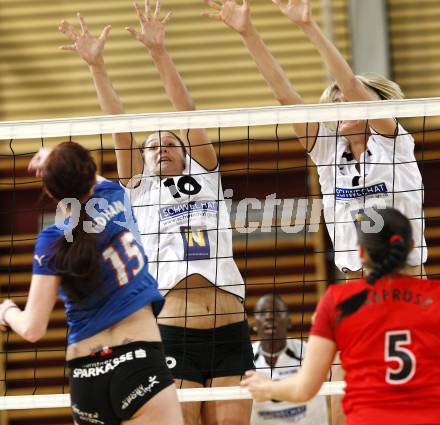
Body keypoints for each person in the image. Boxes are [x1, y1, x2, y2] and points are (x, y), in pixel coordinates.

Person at [58, 4, 254, 425]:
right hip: (173, 335)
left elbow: (187, 112)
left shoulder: (207, 177)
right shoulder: (138, 190)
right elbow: (120, 130)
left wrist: (159, 52)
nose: (161, 147)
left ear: (186, 152)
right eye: (152, 146)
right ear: (141, 160)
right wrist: (96, 65)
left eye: (170, 143)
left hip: (231, 330)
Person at [203, 0, 427, 279]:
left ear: (377, 105)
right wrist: (248, 33)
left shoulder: (393, 143)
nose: (341, 106)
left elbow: (351, 84)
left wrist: (307, 25)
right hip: (355, 282)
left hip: (406, 276)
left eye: (350, 102)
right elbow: (285, 96)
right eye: (336, 104)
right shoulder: (328, 151)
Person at [0, 142, 183, 425]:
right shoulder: (116, 197)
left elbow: (32, 329)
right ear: (89, 171)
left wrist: (6, 311)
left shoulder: (51, 241)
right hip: (138, 361)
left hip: (86, 377)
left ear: (50, 191)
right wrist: (53, 156)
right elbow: (89, 174)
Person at [242, 208, 440, 425]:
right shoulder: (435, 297)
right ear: (411, 247)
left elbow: (304, 389)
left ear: (361, 252)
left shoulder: (338, 302)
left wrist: (266, 387)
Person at [252, 294, 328, 425]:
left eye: (277, 312)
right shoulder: (245, 358)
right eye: (262, 312)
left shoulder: (308, 352)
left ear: (289, 322)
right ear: (254, 325)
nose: (269, 317)